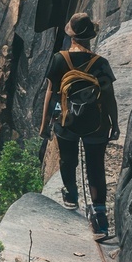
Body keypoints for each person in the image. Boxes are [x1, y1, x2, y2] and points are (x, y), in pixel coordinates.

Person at [38, 12, 120, 241]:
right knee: (95, 168)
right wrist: (115, 124)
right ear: (90, 37)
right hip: (97, 124)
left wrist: (44, 125)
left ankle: (71, 196)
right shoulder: (100, 63)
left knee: (67, 159)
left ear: (72, 36)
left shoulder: (59, 59)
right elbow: (109, 96)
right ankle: (100, 221)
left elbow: (51, 94)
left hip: (67, 123)